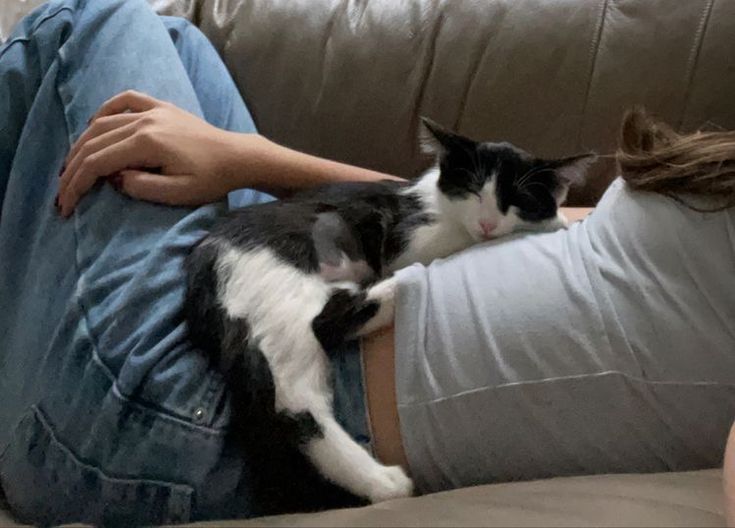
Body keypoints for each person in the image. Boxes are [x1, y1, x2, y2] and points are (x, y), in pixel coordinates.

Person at [1, 0, 733, 525]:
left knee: (86, 22)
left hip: (207, 416)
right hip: (266, 305)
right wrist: (242, 161)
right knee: (179, 44)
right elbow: (469, 220)